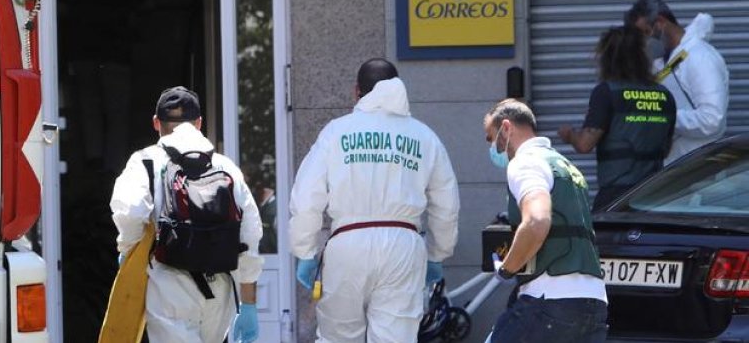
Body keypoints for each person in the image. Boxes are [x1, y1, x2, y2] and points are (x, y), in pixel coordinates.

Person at [289, 58, 459, 343]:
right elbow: (446, 204)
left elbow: (306, 196)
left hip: (347, 245)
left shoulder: (336, 131)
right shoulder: (423, 136)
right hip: (403, 246)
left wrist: (305, 251)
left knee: (337, 338)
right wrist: (437, 254)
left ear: (357, 91)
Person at [110, 86, 263, 343]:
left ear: (156, 123)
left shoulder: (145, 161)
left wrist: (129, 253)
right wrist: (248, 303)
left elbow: (132, 211)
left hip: (170, 287)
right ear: (199, 123)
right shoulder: (224, 166)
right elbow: (250, 234)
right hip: (220, 289)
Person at [485, 98, 608, 343]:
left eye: (491, 139)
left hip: (549, 302)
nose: (494, 149)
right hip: (594, 304)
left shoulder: (525, 162)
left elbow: (537, 221)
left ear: (506, 128)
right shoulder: (566, 166)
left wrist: (507, 269)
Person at [558, 26, 677, 210]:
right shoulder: (665, 95)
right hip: (655, 197)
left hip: (617, 197)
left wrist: (569, 134)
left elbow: (584, 144)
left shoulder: (607, 92)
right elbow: (666, 149)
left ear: (607, 59)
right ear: (642, 57)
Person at [625, 0, 728, 163]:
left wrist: (661, 116)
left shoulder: (700, 58)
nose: (644, 41)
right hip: (678, 167)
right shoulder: (668, 61)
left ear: (660, 22)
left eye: (646, 33)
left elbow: (712, 120)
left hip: (700, 167)